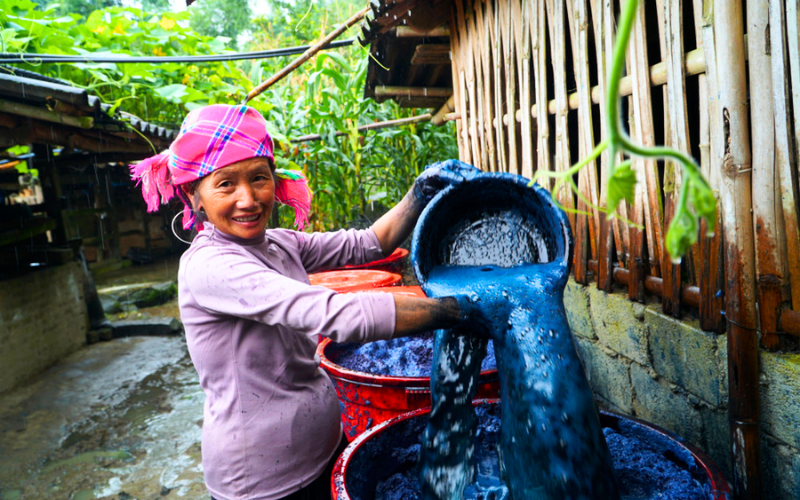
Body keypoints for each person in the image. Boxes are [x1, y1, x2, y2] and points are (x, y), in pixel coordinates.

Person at [130, 104, 481, 500]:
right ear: (194, 195)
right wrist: (456, 311)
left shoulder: (279, 243)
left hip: (325, 448)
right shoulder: (211, 266)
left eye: (259, 179)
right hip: (262, 480)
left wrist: (419, 193)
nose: (248, 199)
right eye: (225, 184)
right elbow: (336, 315)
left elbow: (369, 244)